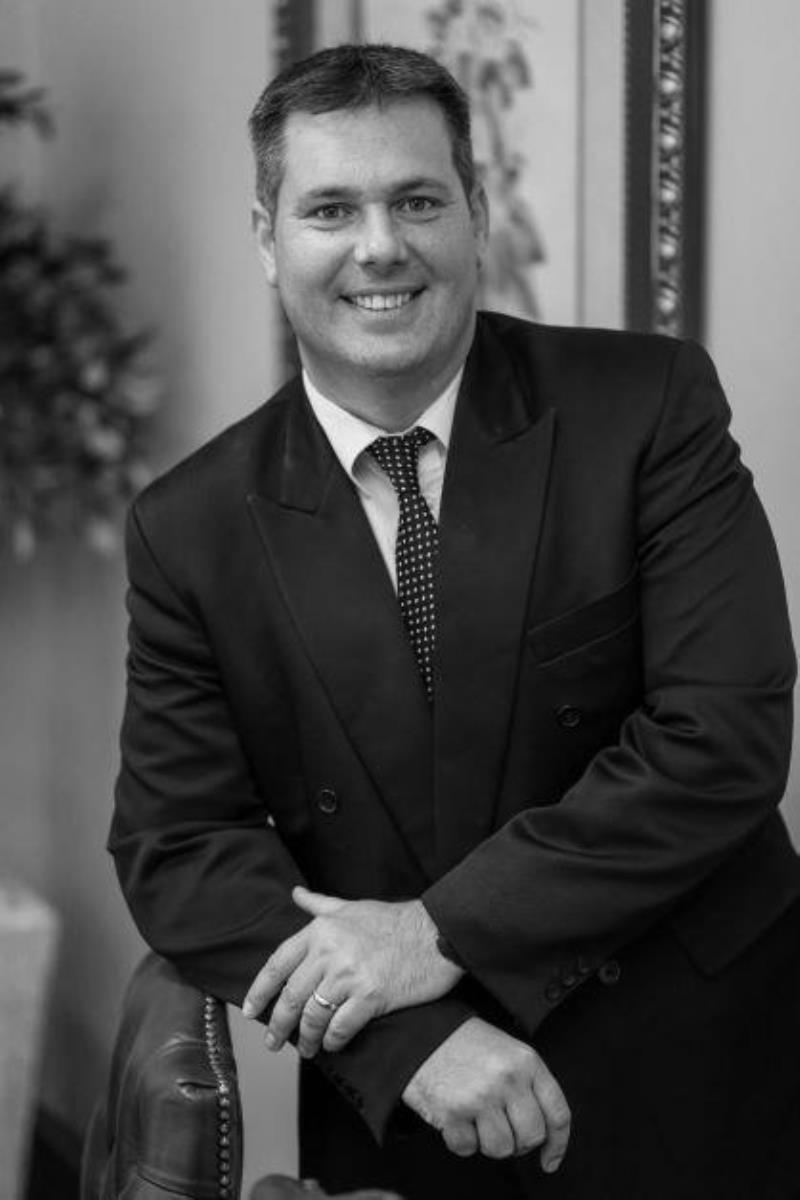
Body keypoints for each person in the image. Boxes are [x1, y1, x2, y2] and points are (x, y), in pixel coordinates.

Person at [110, 43, 800, 1200]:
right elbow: (181, 849)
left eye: (417, 200)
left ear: (476, 212)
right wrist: (405, 1041)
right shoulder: (190, 527)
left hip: (698, 1064)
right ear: (266, 237)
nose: (379, 245)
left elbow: (720, 739)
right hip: (415, 1111)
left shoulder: (647, 408)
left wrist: (435, 933)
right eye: (330, 208)